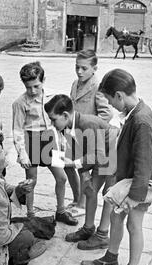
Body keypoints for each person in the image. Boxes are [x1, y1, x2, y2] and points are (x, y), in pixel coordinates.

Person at [80, 69, 152, 265]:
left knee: (134, 225)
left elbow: (144, 163)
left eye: (110, 101)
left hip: (139, 185)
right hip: (127, 180)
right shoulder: (133, 113)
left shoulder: (142, 120)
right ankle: (110, 258)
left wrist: (136, 196)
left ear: (119, 95)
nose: (112, 106)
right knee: (116, 219)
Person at [45, 95, 118, 250]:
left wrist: (73, 163)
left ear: (65, 115)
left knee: (108, 195)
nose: (52, 123)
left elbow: (97, 154)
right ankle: (88, 228)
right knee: (90, 190)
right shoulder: (67, 126)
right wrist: (84, 172)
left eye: (53, 119)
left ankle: (102, 235)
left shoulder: (87, 123)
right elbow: (78, 150)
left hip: (113, 152)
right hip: (99, 154)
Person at [12, 61, 77, 226]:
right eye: (28, 87)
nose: (33, 91)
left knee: (61, 177)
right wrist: (22, 154)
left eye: (36, 86)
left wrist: (62, 142)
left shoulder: (51, 96)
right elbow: (17, 130)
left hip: (49, 140)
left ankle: (61, 211)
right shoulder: (20, 103)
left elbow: (60, 122)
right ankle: (30, 214)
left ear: (43, 80)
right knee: (31, 181)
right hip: (31, 141)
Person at [65, 50, 114, 213]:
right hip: (75, 134)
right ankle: (78, 198)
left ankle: (82, 205)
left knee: (85, 170)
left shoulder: (97, 87)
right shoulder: (75, 83)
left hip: (89, 135)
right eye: (77, 67)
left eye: (84, 68)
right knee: (73, 167)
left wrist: (93, 127)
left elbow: (106, 113)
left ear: (95, 68)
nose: (79, 71)